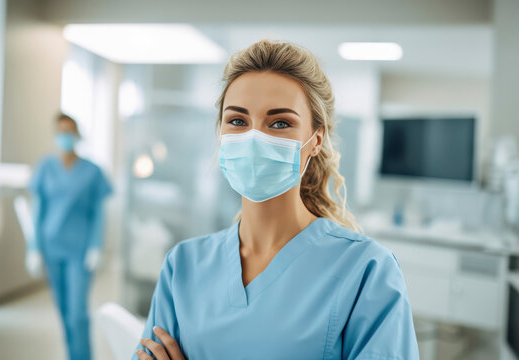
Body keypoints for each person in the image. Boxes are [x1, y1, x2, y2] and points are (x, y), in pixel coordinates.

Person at [133, 39, 419, 360]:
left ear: (315, 141)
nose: (254, 137)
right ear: (221, 134)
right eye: (238, 121)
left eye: (280, 123)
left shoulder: (366, 271)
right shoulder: (183, 266)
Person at [27, 113, 113, 360]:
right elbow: (38, 211)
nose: (65, 136)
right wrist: (34, 248)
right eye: (60, 131)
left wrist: (96, 246)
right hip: (50, 247)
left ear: (77, 134)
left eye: (69, 131)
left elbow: (98, 213)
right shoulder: (45, 167)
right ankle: (72, 355)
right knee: (64, 311)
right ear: (55, 135)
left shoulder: (92, 171)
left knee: (77, 313)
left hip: (80, 249)